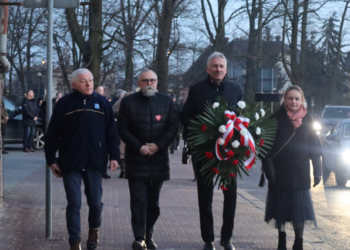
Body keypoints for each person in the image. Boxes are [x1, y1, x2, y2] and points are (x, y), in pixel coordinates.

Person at [45, 68, 120, 250]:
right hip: (71, 162)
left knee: (95, 203)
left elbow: (111, 132)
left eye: (91, 80)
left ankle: (94, 231)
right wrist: (51, 160)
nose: (89, 84)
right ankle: (75, 241)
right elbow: (53, 133)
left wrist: (114, 155)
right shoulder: (64, 104)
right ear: (74, 85)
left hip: (95, 161)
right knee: (74, 203)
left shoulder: (102, 103)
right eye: (83, 80)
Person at [180, 52, 243, 250]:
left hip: (229, 153)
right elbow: (185, 116)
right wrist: (201, 131)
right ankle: (208, 239)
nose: (218, 69)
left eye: (221, 66)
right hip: (205, 152)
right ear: (208, 69)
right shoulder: (197, 90)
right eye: (214, 66)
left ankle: (226, 238)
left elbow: (242, 118)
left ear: (226, 69)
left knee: (230, 195)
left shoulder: (235, 89)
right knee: (205, 195)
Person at [118, 69, 179, 250]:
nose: (149, 83)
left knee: (153, 203)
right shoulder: (128, 102)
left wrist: (158, 146)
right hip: (136, 159)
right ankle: (139, 238)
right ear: (139, 83)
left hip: (159, 160)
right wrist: (139, 146)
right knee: (138, 201)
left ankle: (148, 234)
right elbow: (122, 128)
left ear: (157, 82)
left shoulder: (167, 102)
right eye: (145, 80)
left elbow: (173, 127)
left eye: (152, 80)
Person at [262, 85, 322, 250]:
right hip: (279, 172)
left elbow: (315, 148)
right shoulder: (274, 119)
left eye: (297, 98)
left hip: (301, 172)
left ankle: (299, 242)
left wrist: (318, 170)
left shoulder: (308, 120)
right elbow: (266, 149)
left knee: (299, 211)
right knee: (281, 211)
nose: (294, 101)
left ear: (301, 100)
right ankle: (281, 241)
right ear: (285, 99)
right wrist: (269, 169)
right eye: (290, 98)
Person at [112, 90, 132, 179]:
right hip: (130, 129)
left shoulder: (119, 102)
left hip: (122, 128)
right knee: (127, 151)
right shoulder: (135, 102)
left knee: (123, 152)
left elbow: (112, 112)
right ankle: (126, 170)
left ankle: (123, 170)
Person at [94, 85, 112, 179]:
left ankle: (104, 170)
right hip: (95, 135)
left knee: (105, 153)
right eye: (101, 91)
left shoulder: (104, 102)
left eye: (103, 91)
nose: (103, 93)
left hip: (104, 134)